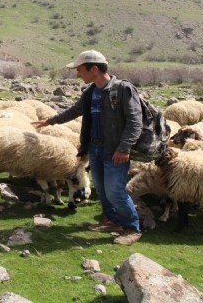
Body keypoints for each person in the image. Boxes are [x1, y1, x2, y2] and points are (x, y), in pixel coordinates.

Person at [33, 50, 143, 245]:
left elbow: (135, 122)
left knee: (115, 191)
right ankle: (112, 221)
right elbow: (75, 111)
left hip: (115, 151)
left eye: (80, 70)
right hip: (95, 149)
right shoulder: (91, 92)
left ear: (94, 69)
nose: (78, 75)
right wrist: (50, 121)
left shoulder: (123, 89)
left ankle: (132, 228)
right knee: (101, 189)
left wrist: (124, 148)